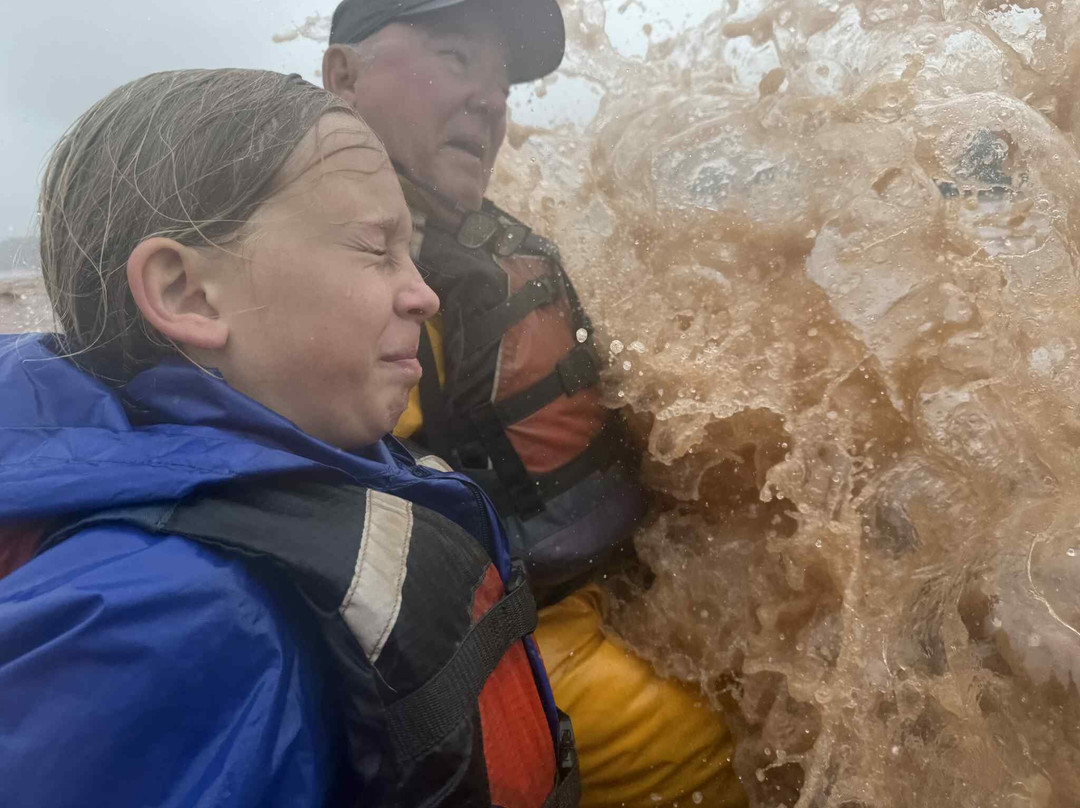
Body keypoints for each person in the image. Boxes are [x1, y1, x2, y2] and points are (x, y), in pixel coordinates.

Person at [0, 68, 579, 808]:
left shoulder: (305, 463)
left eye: (415, 255)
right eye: (377, 250)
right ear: (187, 293)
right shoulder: (162, 625)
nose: (424, 293)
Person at [321, 2, 747, 806]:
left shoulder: (471, 237)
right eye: (454, 59)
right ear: (342, 77)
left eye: (501, 80)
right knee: (715, 738)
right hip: (516, 637)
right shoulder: (345, 268)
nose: (489, 97)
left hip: (598, 583)